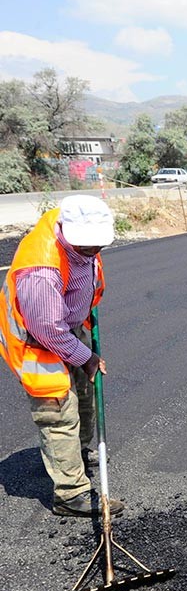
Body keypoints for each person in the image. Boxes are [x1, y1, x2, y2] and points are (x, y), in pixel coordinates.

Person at [1, 195, 124, 517]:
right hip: (36, 342)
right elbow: (47, 329)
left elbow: (85, 275)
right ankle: (70, 495)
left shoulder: (82, 224)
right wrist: (87, 357)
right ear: (66, 232)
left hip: (66, 328)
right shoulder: (40, 270)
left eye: (98, 245)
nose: (92, 251)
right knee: (58, 413)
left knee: (84, 396)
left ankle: (77, 453)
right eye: (85, 246)